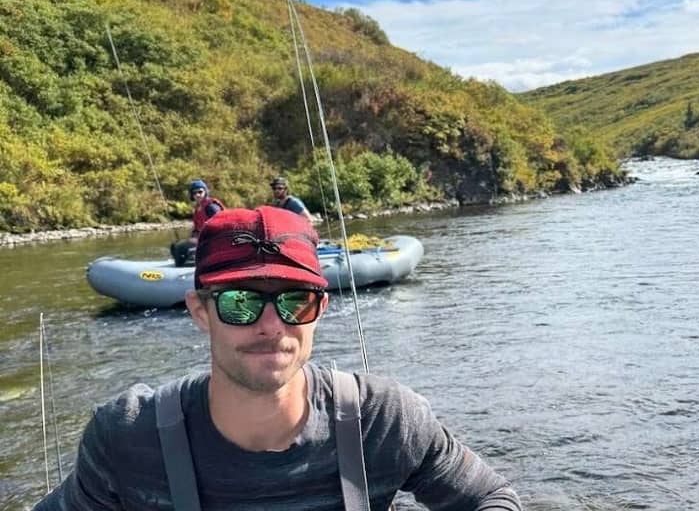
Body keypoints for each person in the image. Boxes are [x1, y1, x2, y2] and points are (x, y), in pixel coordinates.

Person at [34, 206, 521, 510]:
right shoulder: (128, 437)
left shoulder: (384, 420)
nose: (272, 326)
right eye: (240, 302)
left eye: (294, 301)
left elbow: (492, 499)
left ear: (319, 310)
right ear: (200, 311)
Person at [170, 179, 225, 267]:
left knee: (180, 247)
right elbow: (197, 228)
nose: (197, 195)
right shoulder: (199, 207)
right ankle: (184, 263)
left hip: (212, 240)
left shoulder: (211, 207)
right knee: (174, 246)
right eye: (195, 193)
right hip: (201, 239)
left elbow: (220, 226)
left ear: (205, 192)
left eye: (200, 192)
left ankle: (181, 268)